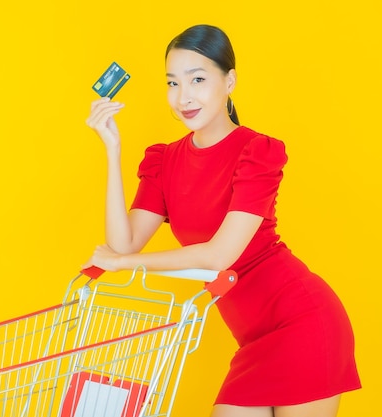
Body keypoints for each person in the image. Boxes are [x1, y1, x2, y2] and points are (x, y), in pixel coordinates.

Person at [83, 24, 361, 417]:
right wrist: (112, 150)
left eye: (198, 79)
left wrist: (123, 264)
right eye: (173, 83)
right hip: (252, 339)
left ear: (229, 81)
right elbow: (123, 244)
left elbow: (219, 255)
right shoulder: (165, 161)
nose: (184, 97)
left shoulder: (257, 152)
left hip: (302, 323)